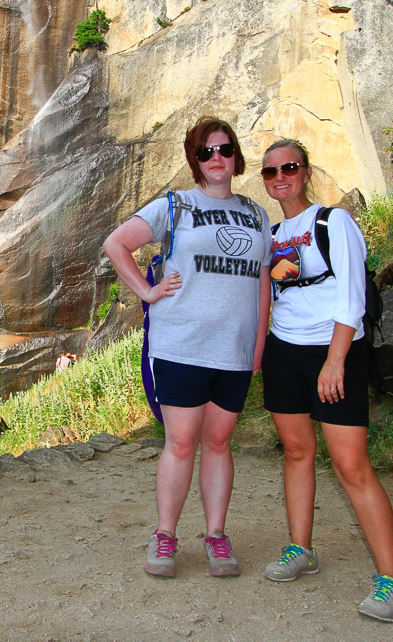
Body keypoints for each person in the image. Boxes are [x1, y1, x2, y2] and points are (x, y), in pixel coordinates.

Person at [102, 116, 272, 578]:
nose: (216, 158)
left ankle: (216, 536)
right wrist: (147, 290)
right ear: (195, 161)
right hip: (181, 345)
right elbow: (116, 243)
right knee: (180, 443)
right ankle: (165, 535)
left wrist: (257, 346)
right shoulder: (175, 206)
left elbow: (261, 284)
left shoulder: (257, 215)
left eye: (224, 149)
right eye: (205, 152)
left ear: (236, 157)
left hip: (233, 351)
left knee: (218, 442)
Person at [258, 138, 393, 622]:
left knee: (351, 465)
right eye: (270, 171)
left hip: (333, 349)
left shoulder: (333, 221)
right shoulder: (273, 233)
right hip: (285, 350)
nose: (279, 176)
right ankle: (300, 548)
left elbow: (352, 294)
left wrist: (336, 359)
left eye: (289, 167)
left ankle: (392, 580)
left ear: (304, 172)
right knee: (298, 452)